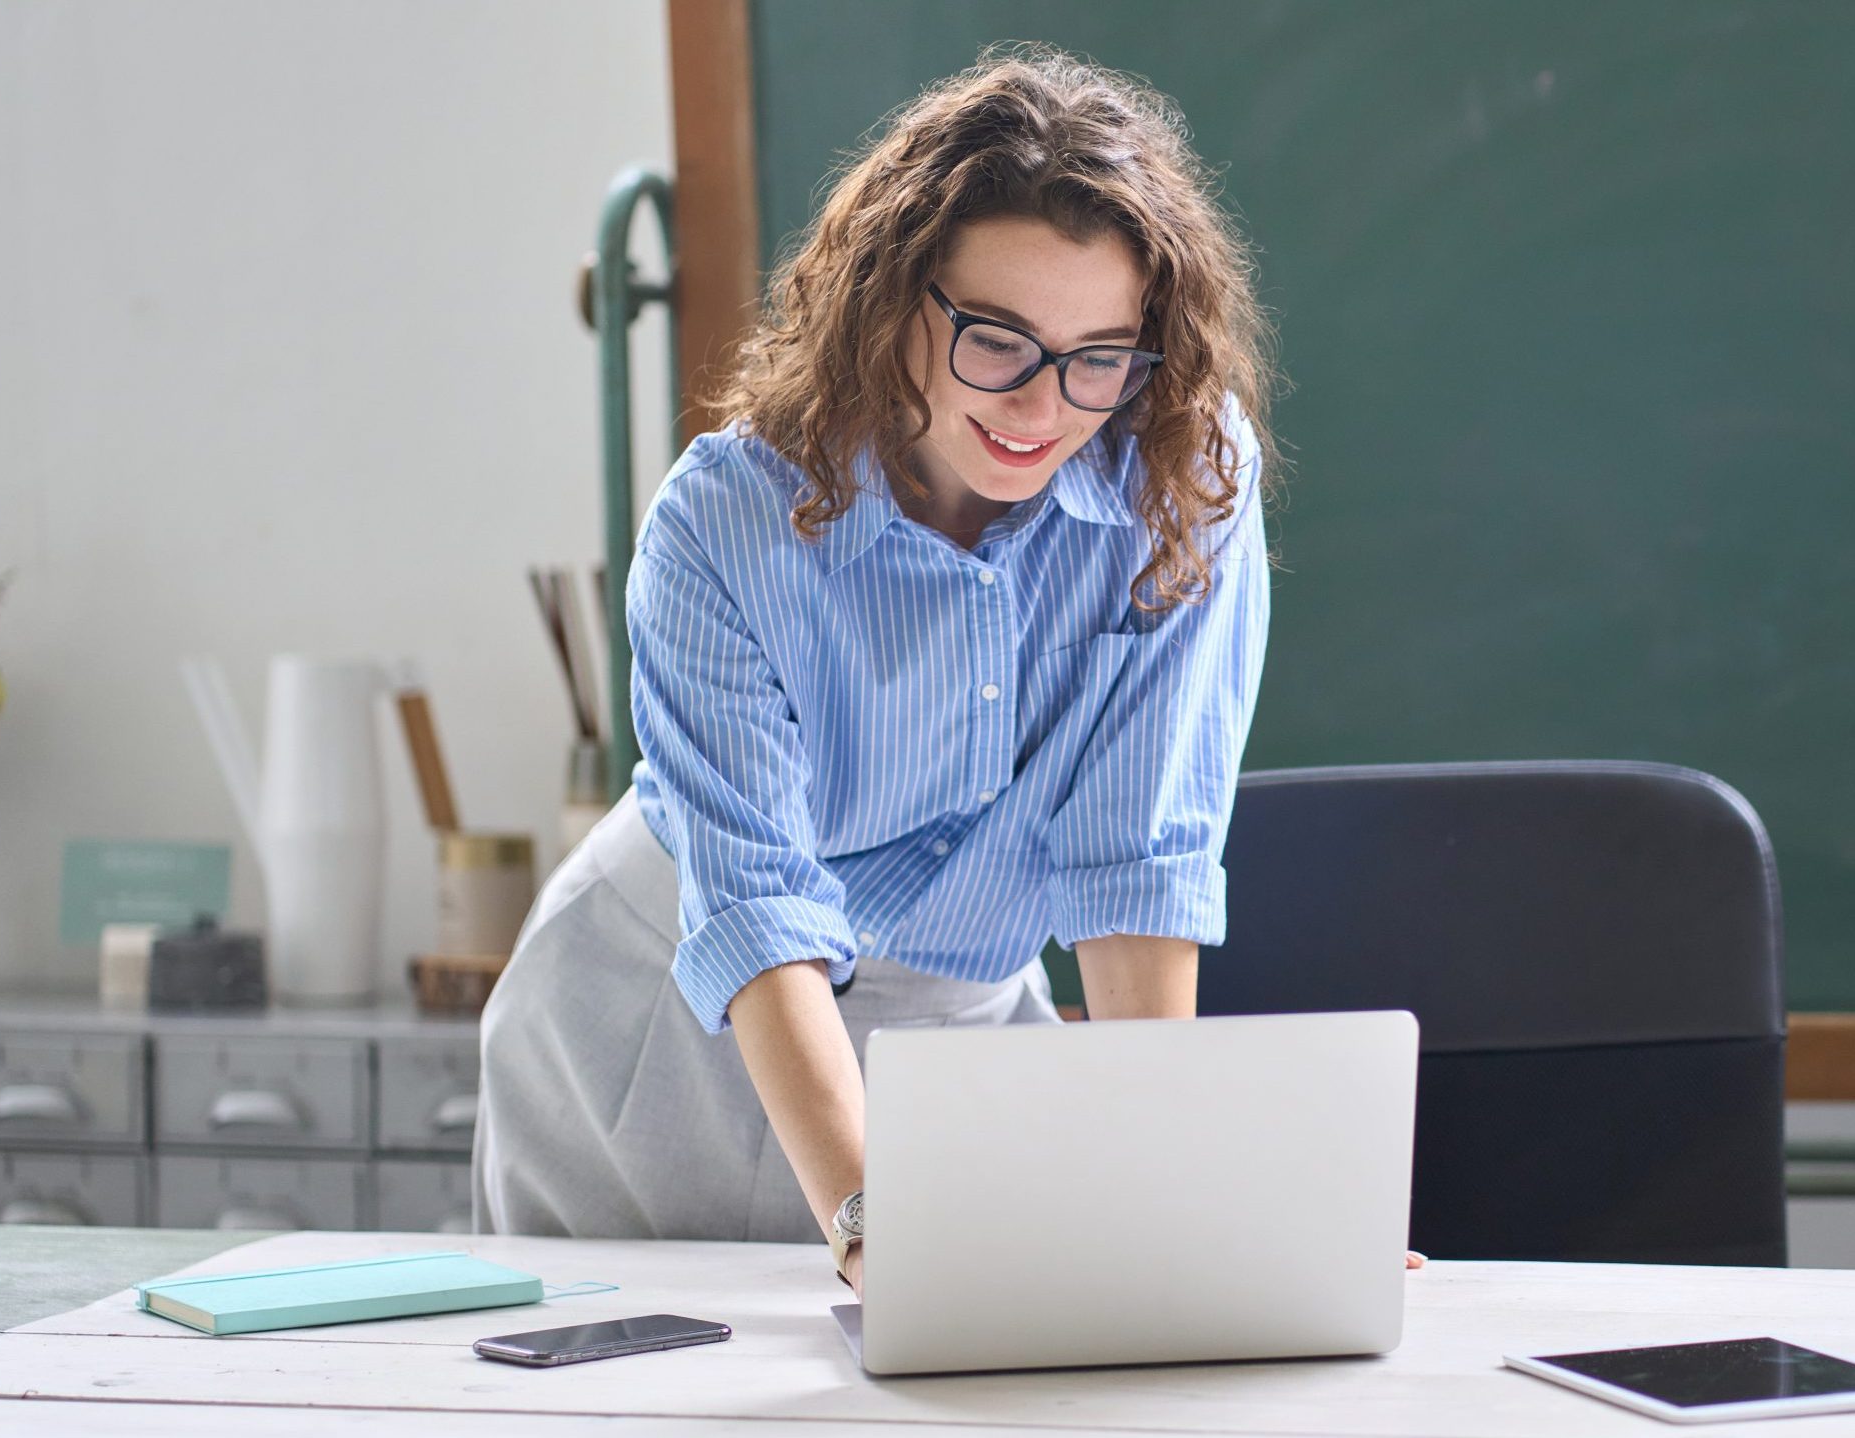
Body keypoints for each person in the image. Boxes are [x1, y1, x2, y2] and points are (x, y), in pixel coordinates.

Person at [473, 44, 1288, 1298]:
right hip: (663, 1023)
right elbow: (757, 914)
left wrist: (1182, 1198)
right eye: (997, 341)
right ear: (893, 301)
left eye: (1097, 356)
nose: (1044, 405)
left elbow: (1139, 870)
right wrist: (866, 1217)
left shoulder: (1181, 477)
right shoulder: (727, 523)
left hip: (953, 1022)